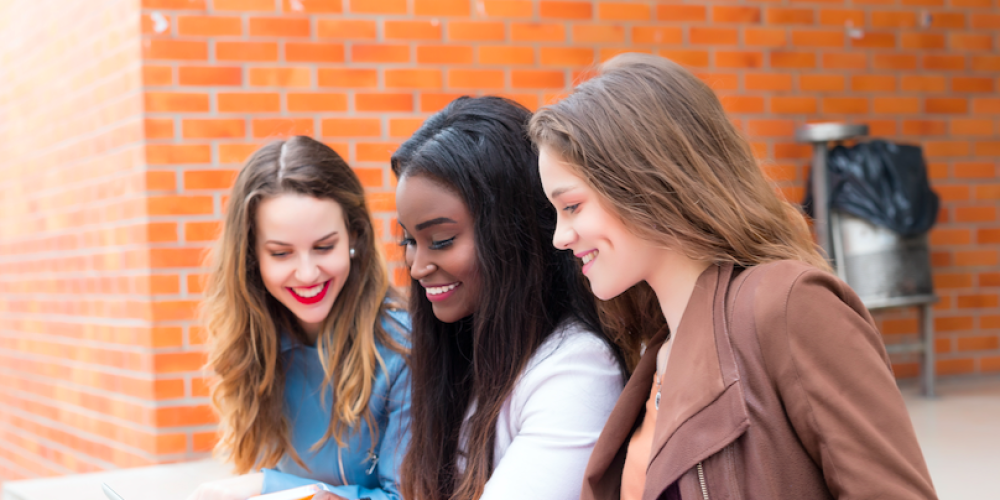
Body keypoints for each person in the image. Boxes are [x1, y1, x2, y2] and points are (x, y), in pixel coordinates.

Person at [529, 53, 938, 500]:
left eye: (571, 206)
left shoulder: (788, 306)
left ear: (644, 183)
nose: (560, 237)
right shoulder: (655, 350)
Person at [391, 96, 632, 500]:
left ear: (512, 230)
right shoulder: (464, 352)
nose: (417, 267)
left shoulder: (577, 370)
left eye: (441, 240)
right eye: (410, 240)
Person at [189, 136, 411, 500]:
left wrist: (266, 484)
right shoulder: (255, 345)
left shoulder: (402, 348)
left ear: (354, 238)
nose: (307, 274)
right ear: (251, 256)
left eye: (324, 247)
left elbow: (407, 496)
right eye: (281, 253)